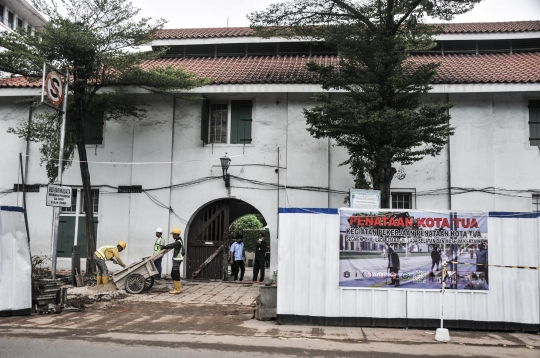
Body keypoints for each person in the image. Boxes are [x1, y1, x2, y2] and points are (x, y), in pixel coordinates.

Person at [160, 228, 185, 294]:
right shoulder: (178, 241)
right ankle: (176, 288)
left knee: (175, 274)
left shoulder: (178, 242)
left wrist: (164, 247)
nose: (172, 236)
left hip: (177, 259)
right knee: (173, 274)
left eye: (173, 234)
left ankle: (177, 289)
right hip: (176, 259)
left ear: (176, 234)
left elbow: (171, 245)